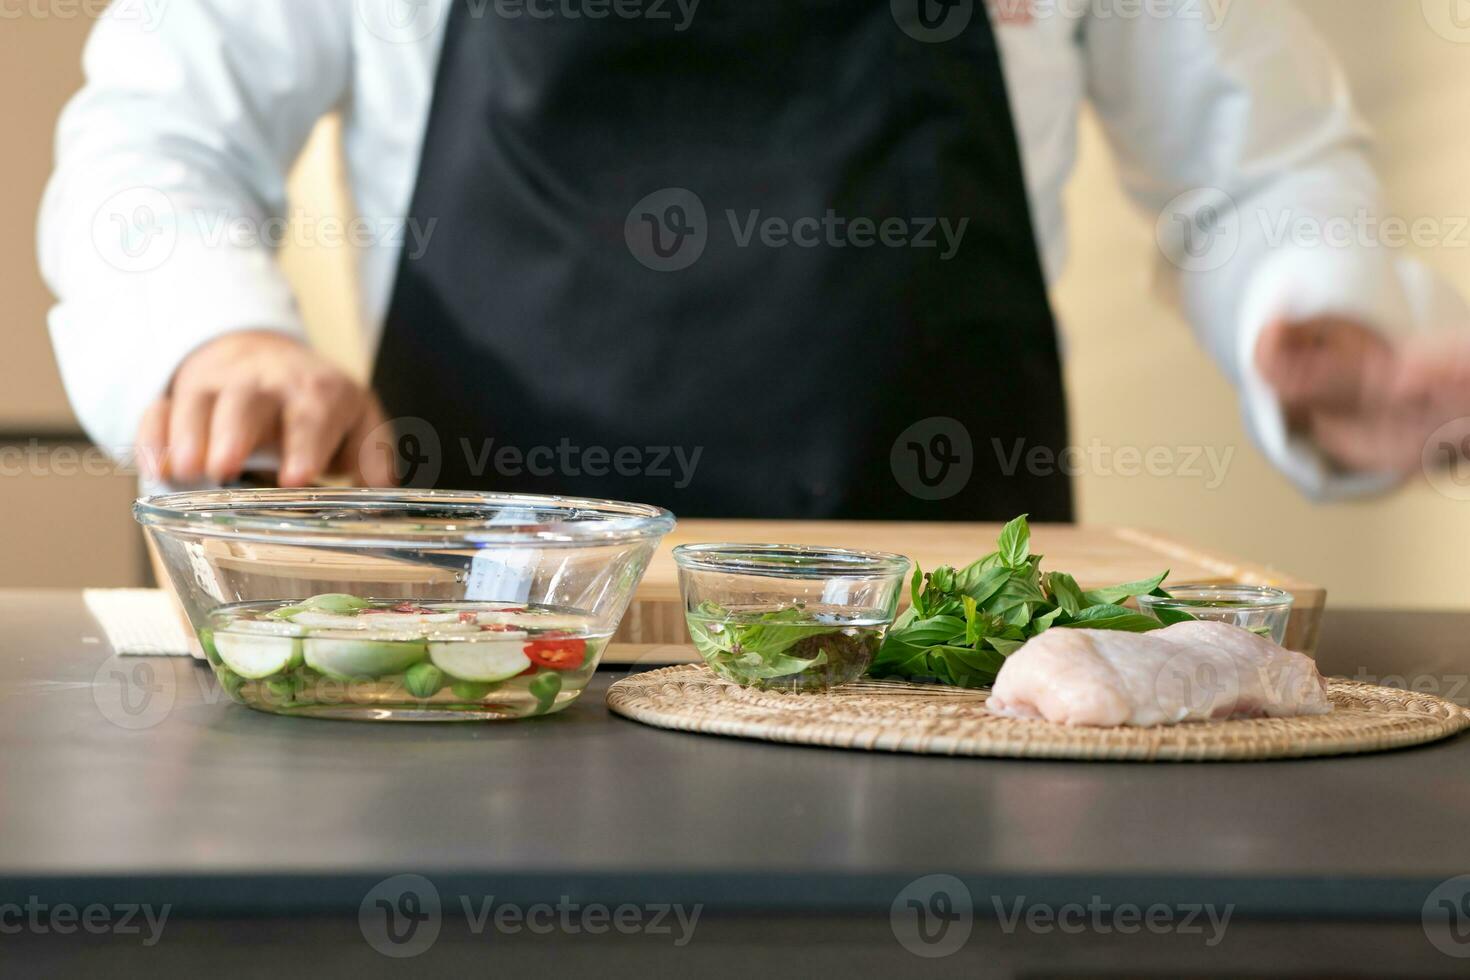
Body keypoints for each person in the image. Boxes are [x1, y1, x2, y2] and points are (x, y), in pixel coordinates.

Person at [39, 0, 1470, 520]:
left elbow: (1256, 170)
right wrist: (212, 337)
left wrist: (1322, 319)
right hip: (483, 660)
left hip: (960, 664)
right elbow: (159, 134)